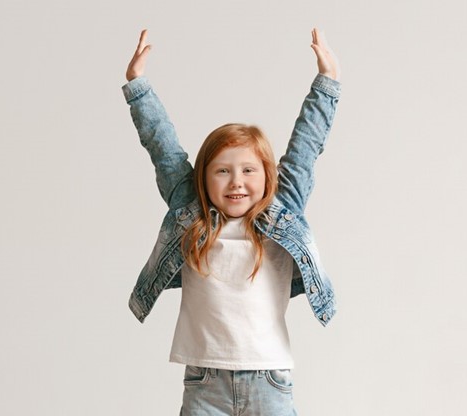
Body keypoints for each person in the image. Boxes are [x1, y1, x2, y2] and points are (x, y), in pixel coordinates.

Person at [122, 28, 341, 415]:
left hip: (269, 380)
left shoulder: (281, 212)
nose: (236, 181)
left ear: (267, 177)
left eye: (248, 171)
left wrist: (327, 83)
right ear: (203, 177)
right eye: (222, 171)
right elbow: (164, 149)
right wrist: (138, 86)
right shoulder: (189, 213)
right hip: (205, 382)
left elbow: (306, 148)